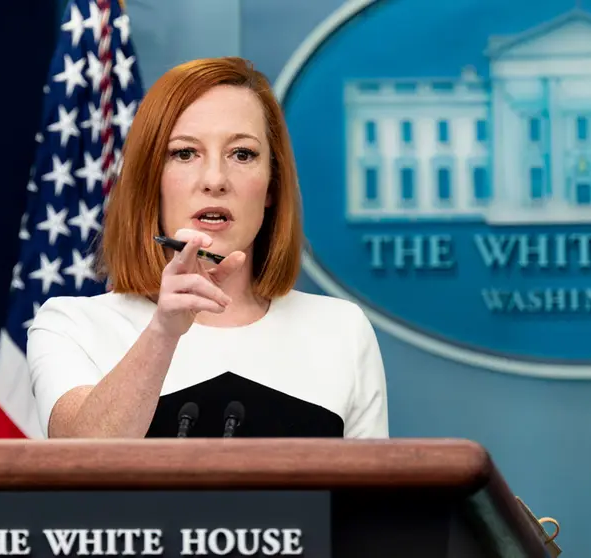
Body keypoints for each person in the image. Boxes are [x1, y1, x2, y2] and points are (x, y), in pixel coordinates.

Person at [26, 56, 388, 439]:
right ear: (151, 180)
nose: (215, 180)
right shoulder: (71, 324)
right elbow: (79, 464)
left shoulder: (342, 330)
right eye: (185, 153)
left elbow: (372, 497)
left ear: (271, 186)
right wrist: (164, 332)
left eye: (242, 154)